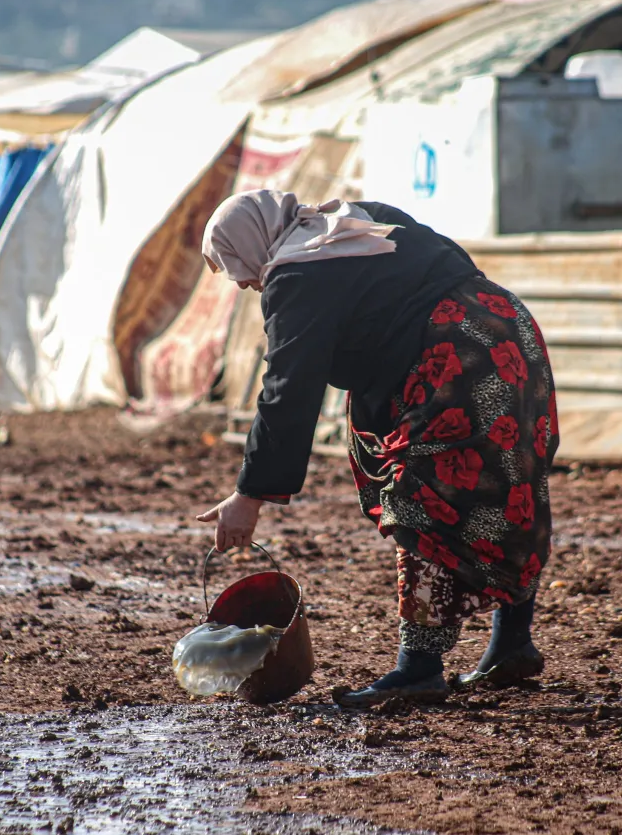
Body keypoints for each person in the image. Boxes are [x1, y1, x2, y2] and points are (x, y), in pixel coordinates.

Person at [196, 190, 558, 707]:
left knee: (422, 499)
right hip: (508, 331)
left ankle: (419, 668)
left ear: (251, 243)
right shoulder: (357, 220)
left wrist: (249, 496)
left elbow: (288, 390)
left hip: (456, 362)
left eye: (234, 266)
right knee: (511, 486)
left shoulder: (297, 274)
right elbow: (447, 263)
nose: (244, 281)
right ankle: (512, 642)